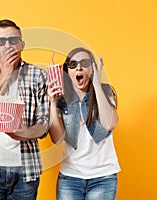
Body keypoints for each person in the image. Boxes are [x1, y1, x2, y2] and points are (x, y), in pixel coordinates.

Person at [0, 19, 49, 200]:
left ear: (22, 44)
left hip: (26, 171)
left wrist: (25, 133)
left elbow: (44, 123)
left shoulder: (38, 75)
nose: (8, 46)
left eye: (13, 40)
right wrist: (5, 75)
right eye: (1, 41)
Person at [48, 47, 121, 200]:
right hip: (70, 177)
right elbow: (57, 139)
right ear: (67, 72)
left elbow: (110, 124)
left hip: (103, 178)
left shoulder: (106, 92)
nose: (79, 67)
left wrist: (97, 86)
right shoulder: (62, 100)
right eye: (73, 65)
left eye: (84, 63)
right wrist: (53, 104)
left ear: (92, 69)